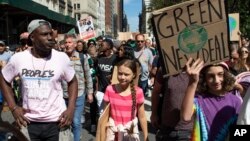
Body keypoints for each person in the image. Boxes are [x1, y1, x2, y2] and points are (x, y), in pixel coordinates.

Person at [0, 19, 78, 140]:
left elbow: (73, 81)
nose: (50, 37)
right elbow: (4, 79)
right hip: (28, 122)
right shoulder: (18, 58)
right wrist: (13, 108)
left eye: (50, 33)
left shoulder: (61, 58)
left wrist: (71, 108)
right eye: (44, 34)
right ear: (32, 37)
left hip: (57, 122)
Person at [181, 58, 244, 141]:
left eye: (220, 74)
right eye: (211, 76)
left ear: (226, 75)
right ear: (204, 79)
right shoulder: (199, 100)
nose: (216, 80)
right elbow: (185, 117)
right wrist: (192, 82)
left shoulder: (235, 101)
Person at [103, 58, 148, 141]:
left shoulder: (138, 92)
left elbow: (142, 117)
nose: (122, 77)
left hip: (130, 133)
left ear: (134, 75)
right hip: (113, 134)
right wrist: (102, 133)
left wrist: (146, 137)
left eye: (126, 74)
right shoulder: (109, 90)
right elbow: (105, 115)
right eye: (120, 73)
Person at [151, 65, 193, 141]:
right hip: (167, 127)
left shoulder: (200, 70)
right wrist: (154, 114)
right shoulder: (166, 67)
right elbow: (156, 92)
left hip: (189, 129)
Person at [64, 34, 94, 140]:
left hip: (79, 94)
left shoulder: (82, 57)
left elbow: (88, 75)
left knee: (76, 121)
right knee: (65, 122)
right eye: (66, 42)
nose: (67, 45)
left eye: (70, 42)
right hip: (63, 95)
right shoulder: (60, 57)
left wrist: (90, 92)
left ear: (75, 44)